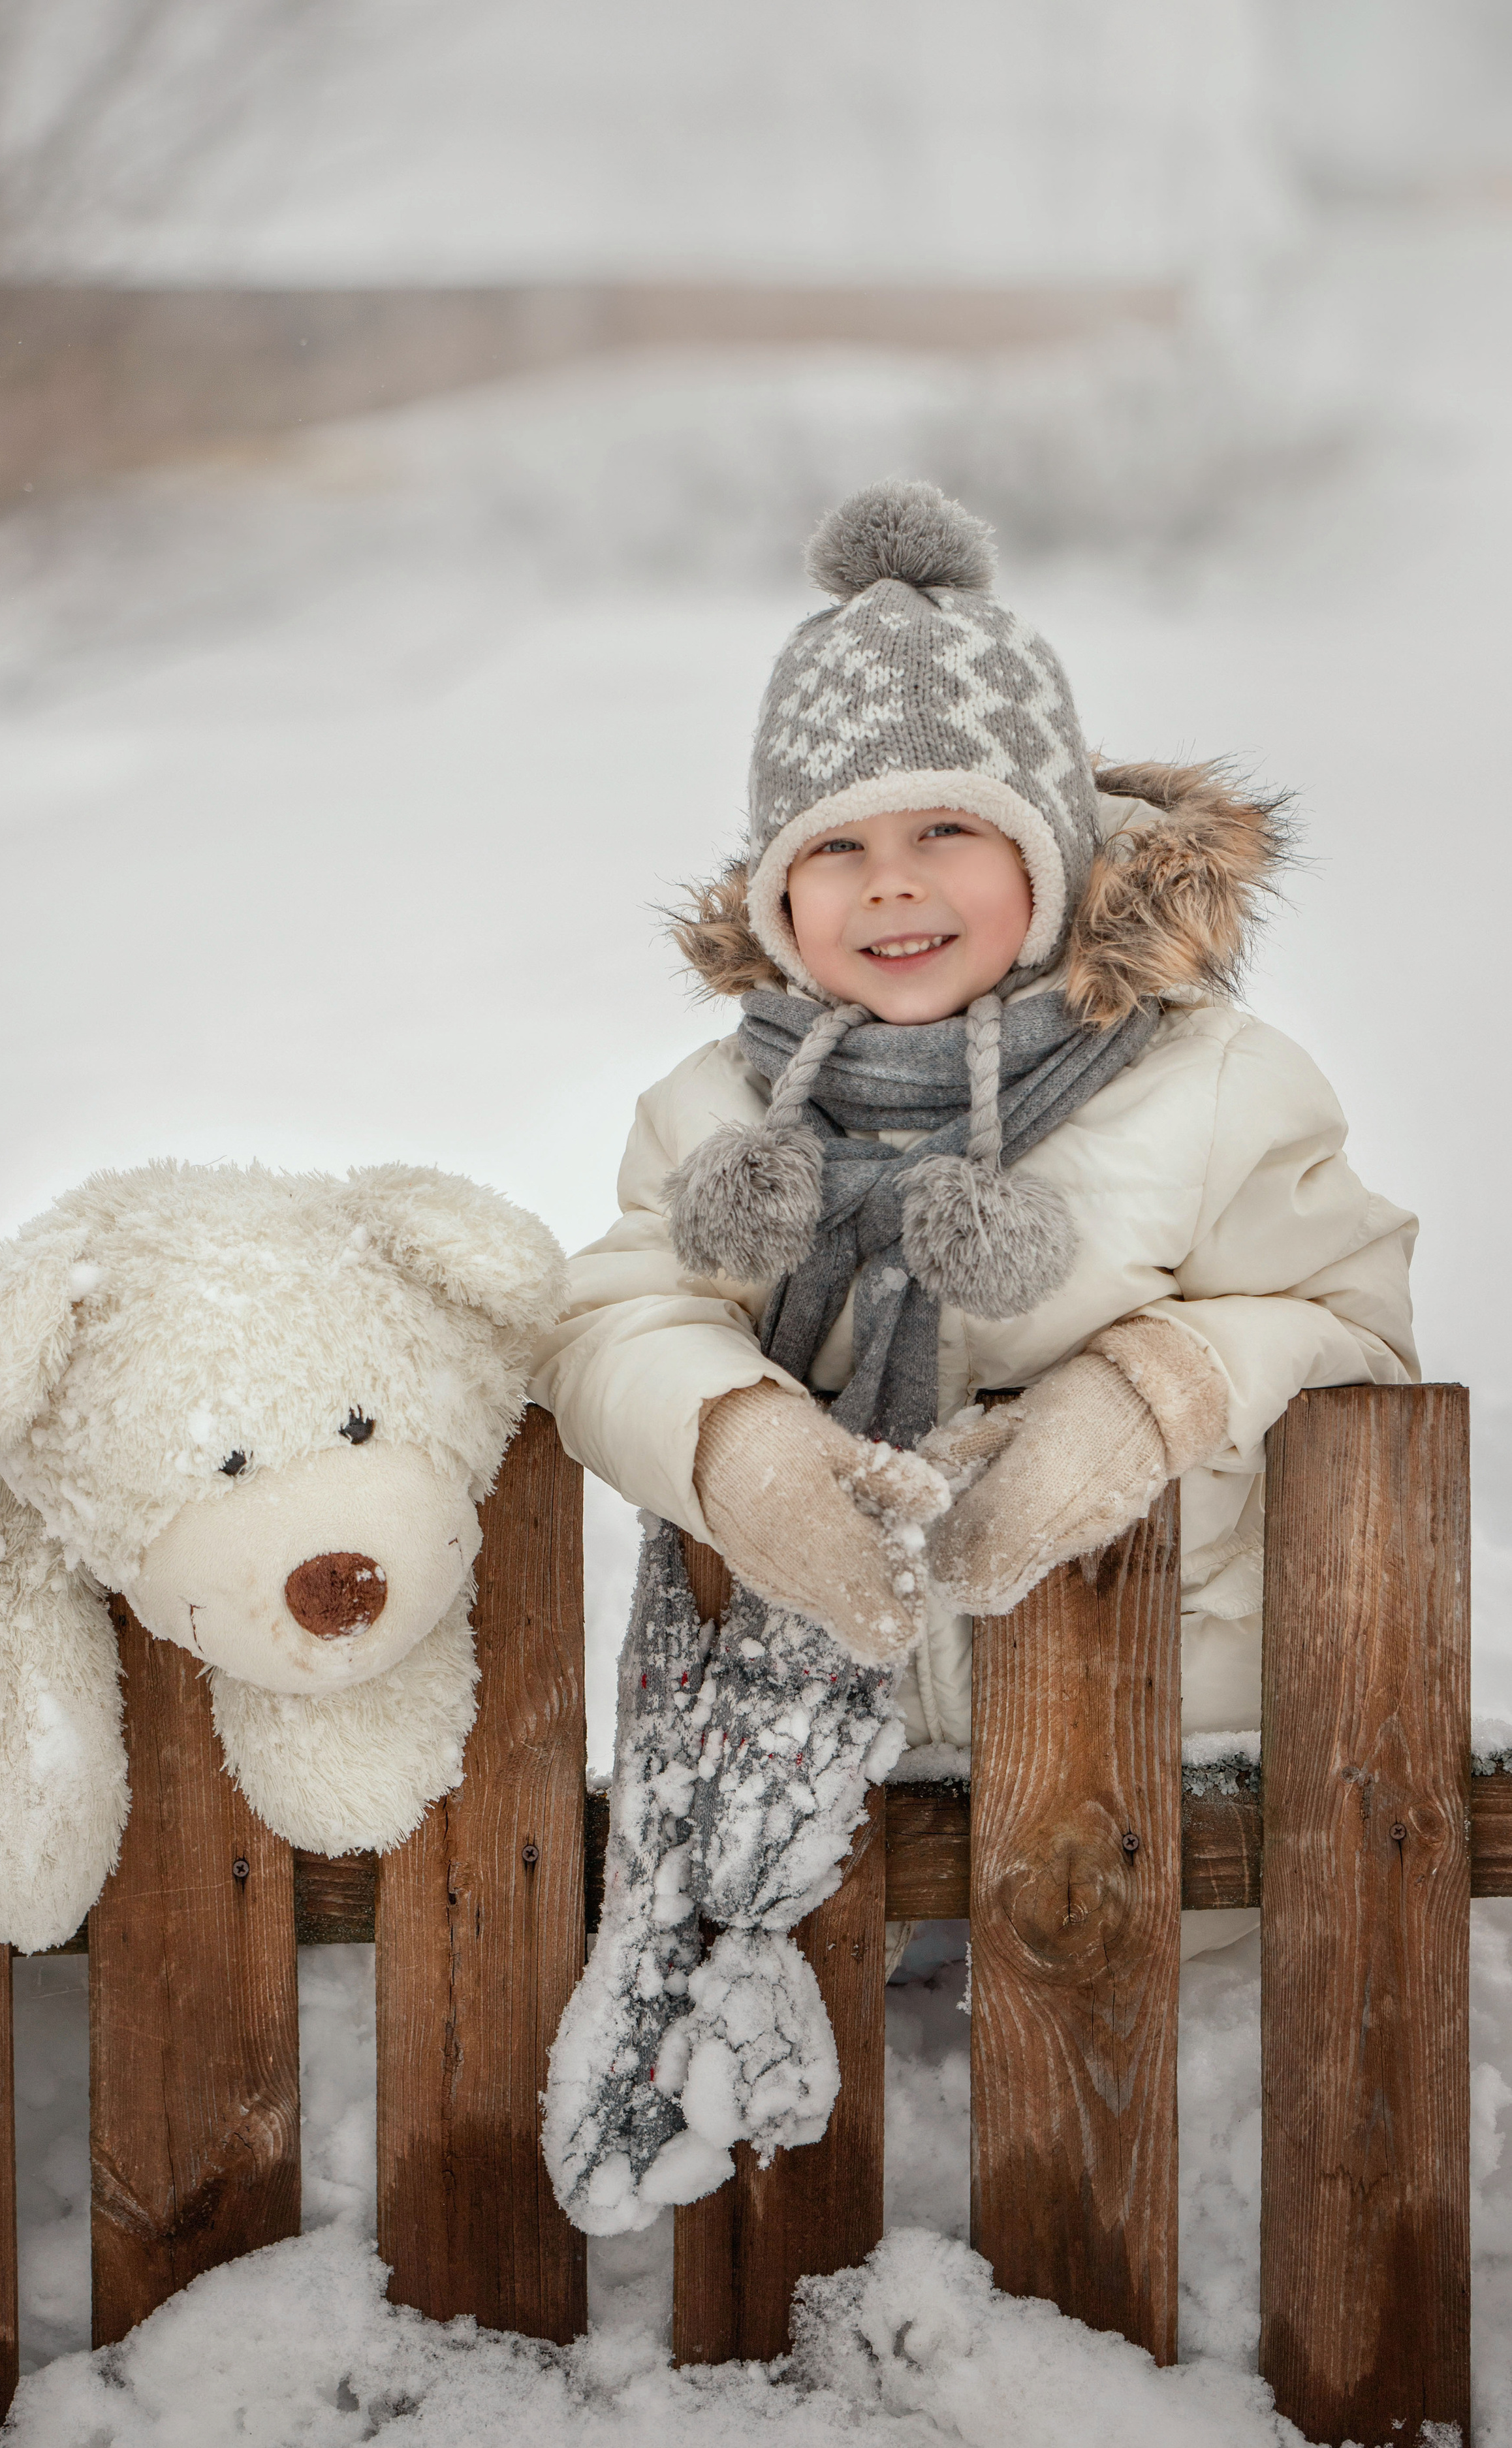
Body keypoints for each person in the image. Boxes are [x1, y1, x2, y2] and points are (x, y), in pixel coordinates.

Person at [528, 478, 1417, 1962]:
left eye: (948, 828)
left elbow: (1350, 1338)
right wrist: (734, 1447)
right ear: (772, 890)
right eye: (833, 848)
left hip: (1153, 1787)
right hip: (814, 1812)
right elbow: (611, 1317)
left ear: (1050, 856)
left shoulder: (1207, 1087)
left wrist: (1143, 1401)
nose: (891, 884)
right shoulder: (718, 1110)